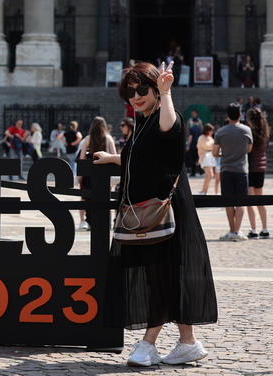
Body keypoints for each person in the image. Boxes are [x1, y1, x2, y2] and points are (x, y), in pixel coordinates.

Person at [92, 61, 216, 367]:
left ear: (155, 90)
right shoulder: (143, 121)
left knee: (159, 277)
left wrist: (166, 91)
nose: (136, 96)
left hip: (163, 212)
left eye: (142, 89)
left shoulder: (162, 116)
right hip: (149, 213)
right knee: (164, 276)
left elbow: (170, 128)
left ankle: (148, 344)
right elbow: (140, 159)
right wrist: (111, 157)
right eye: (130, 92)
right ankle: (188, 343)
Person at [213, 102, 253, 241]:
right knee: (241, 201)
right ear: (240, 115)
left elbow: (215, 153)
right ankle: (238, 230)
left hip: (226, 169)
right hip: (242, 169)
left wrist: (225, 154)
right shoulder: (246, 130)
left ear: (227, 115)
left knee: (229, 201)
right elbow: (249, 150)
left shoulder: (221, 132)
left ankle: (231, 230)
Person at [77, 116, 116, 230]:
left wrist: (80, 175)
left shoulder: (88, 139)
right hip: (104, 170)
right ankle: (105, 222)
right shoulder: (108, 138)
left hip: (90, 171)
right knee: (105, 197)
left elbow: (82, 157)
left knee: (89, 197)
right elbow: (113, 155)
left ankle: (90, 221)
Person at [244, 107, 270, 238]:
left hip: (251, 166)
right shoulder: (265, 132)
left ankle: (254, 229)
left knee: (250, 200)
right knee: (260, 199)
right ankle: (265, 228)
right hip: (261, 167)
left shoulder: (249, 132)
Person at [197, 123, 217, 195]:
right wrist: (213, 146)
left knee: (207, 176)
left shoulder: (210, 137)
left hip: (211, 157)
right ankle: (203, 191)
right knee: (210, 175)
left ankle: (205, 191)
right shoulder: (202, 137)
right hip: (205, 157)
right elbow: (205, 146)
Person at [186, 110, 203, 177]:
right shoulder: (189, 120)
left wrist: (188, 144)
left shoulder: (199, 121)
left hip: (193, 143)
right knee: (198, 158)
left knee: (193, 158)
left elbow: (190, 135)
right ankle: (200, 170)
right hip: (198, 143)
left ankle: (194, 171)